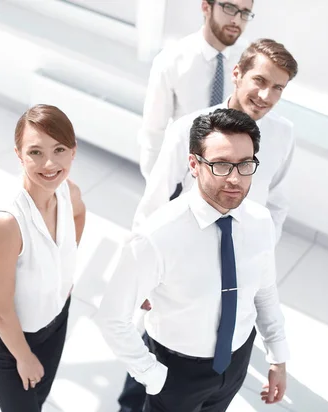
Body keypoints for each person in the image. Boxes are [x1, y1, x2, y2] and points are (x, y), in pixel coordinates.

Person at [98, 108, 289, 412]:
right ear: (194, 165)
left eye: (245, 165)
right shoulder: (157, 236)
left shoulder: (260, 221)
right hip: (176, 370)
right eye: (222, 165)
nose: (235, 179)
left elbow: (264, 292)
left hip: (236, 361)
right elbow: (112, 317)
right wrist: (154, 376)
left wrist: (277, 356)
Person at [135, 38, 298, 241]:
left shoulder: (284, 133)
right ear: (237, 74)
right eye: (260, 81)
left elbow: (277, 202)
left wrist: (264, 247)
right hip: (190, 241)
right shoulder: (187, 129)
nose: (265, 96)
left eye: (277, 88)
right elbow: (155, 201)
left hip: (244, 247)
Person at [0, 104, 86, 411]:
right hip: (12, 340)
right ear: (19, 155)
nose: (50, 163)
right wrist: (24, 357)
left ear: (73, 152)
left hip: (56, 322)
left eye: (59, 149)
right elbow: (0, 309)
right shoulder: (6, 222)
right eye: (35, 152)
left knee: (38, 402)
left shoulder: (69, 192)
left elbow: (79, 215)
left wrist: (62, 272)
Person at [138, 0, 255, 180]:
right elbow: (154, 131)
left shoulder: (249, 60)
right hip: (182, 174)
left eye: (245, 13)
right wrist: (158, 184)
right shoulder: (171, 61)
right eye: (230, 8)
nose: (237, 20)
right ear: (206, 7)